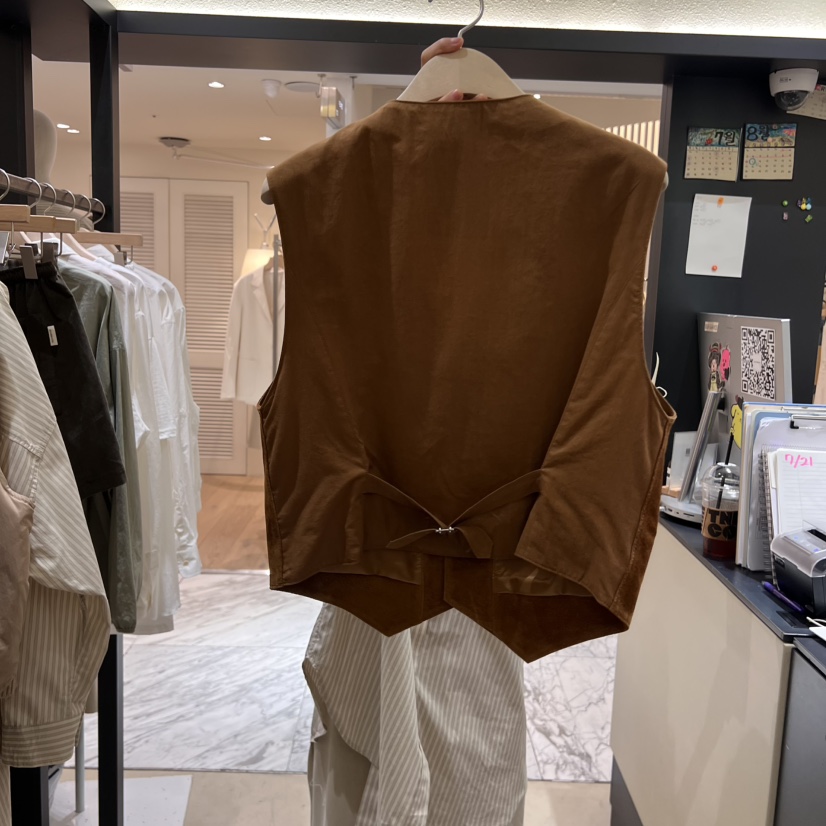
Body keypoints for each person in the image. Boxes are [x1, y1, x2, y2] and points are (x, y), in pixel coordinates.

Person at [303, 37, 527, 826]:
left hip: (481, 570)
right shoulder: (354, 229)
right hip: (383, 559)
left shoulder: (539, 246)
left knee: (467, 755)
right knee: (387, 759)